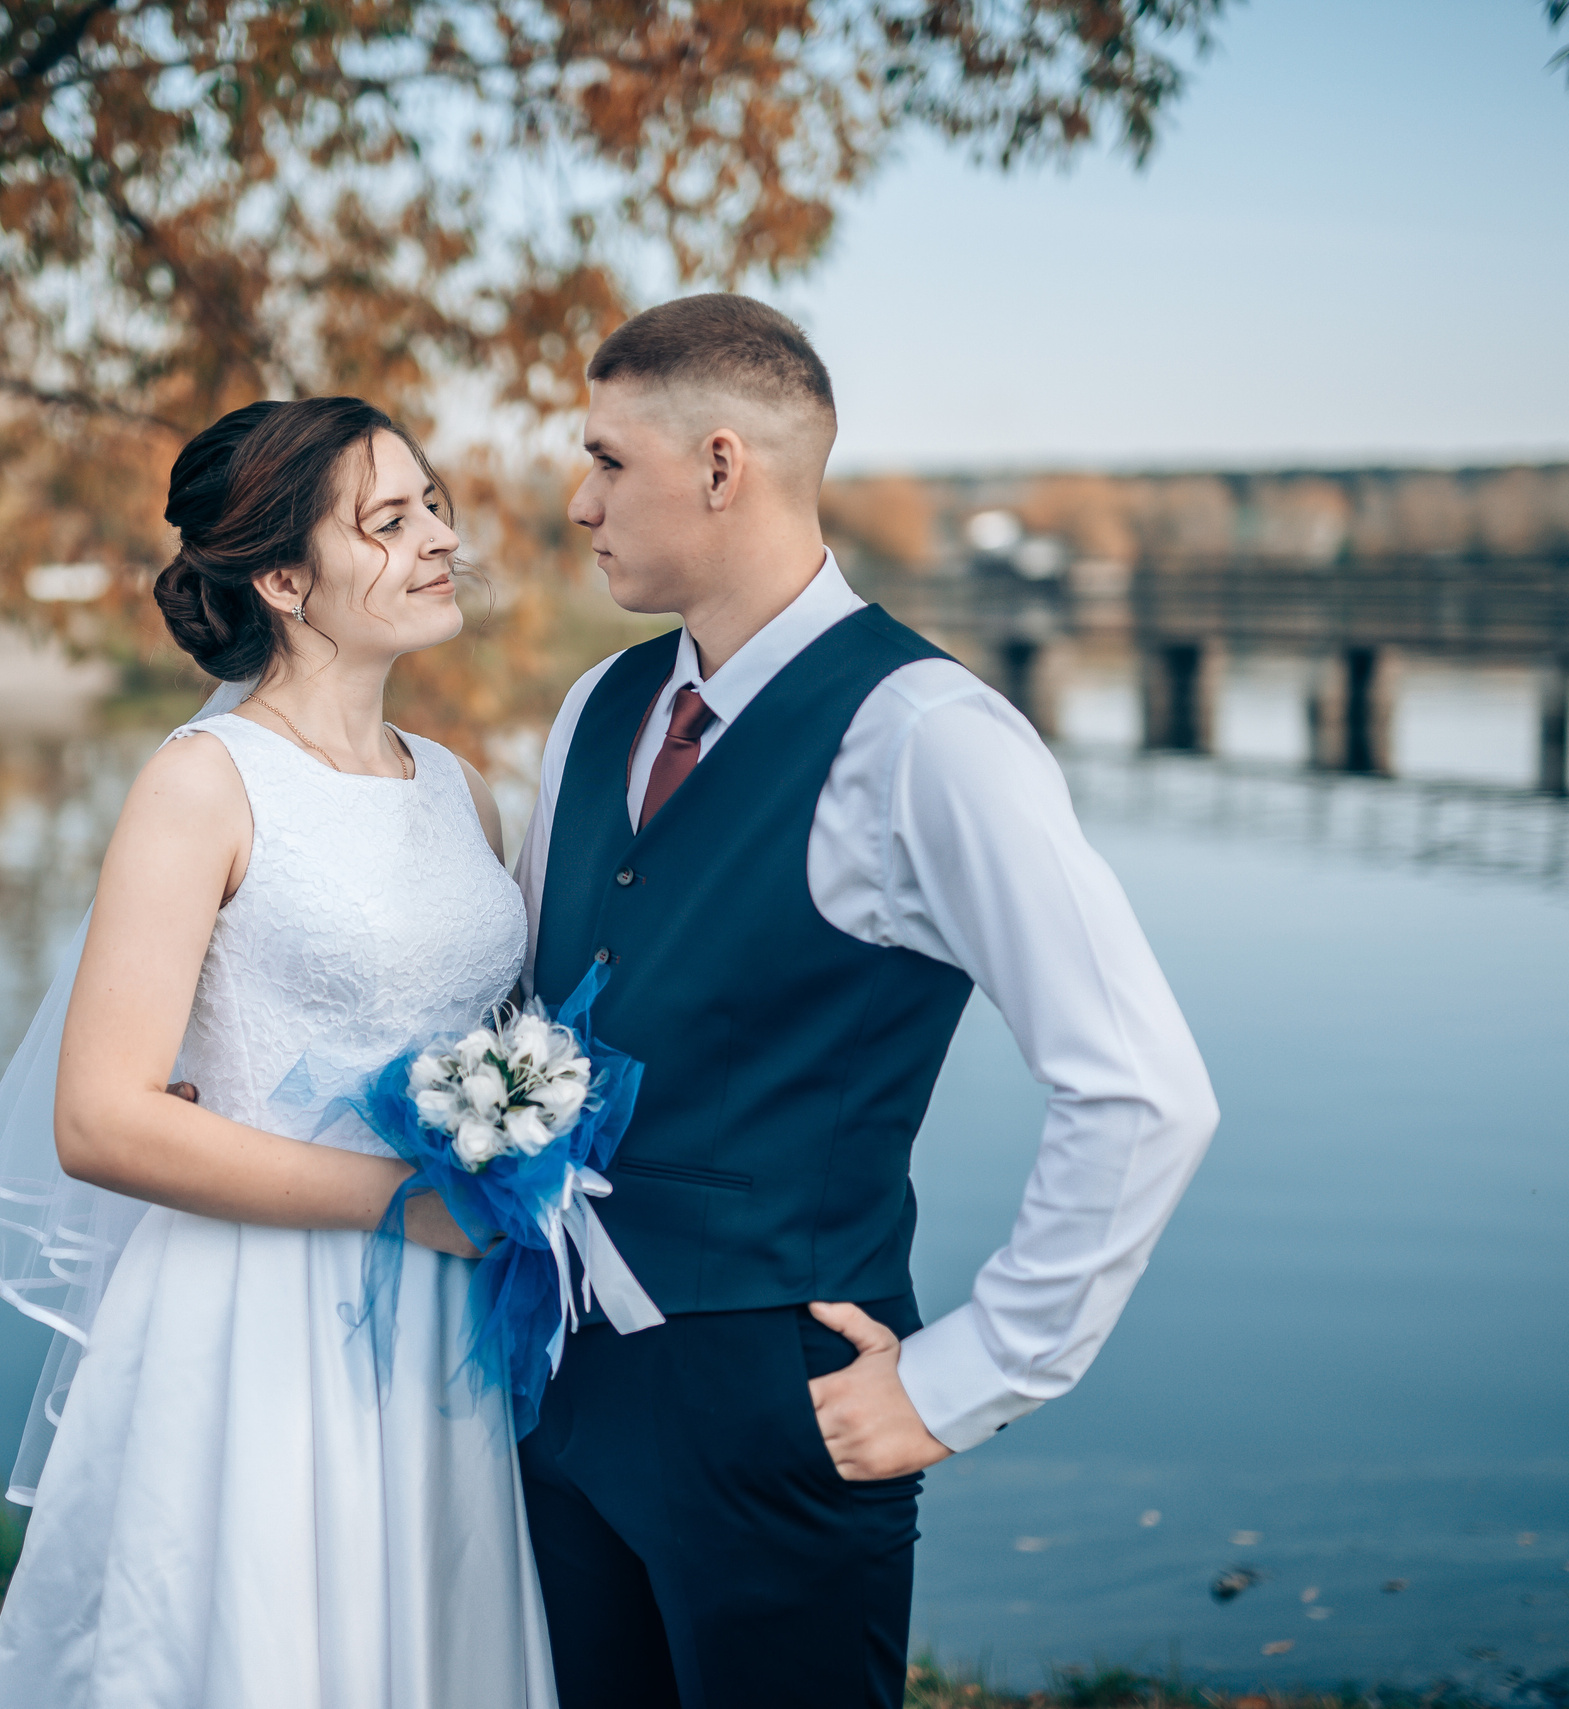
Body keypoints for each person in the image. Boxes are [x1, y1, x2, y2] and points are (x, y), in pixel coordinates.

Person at [513, 294, 1220, 1709]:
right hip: (559, 1387)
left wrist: (966, 1378)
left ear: (722, 466)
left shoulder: (929, 738)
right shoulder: (599, 706)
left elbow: (1143, 1091)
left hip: (785, 1406)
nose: (579, 504)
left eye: (607, 462)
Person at [0, 398, 557, 1708]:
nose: (439, 538)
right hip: (258, 1315)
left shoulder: (461, 789)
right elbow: (101, 1119)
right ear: (283, 580)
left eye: (432, 504)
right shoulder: (204, 783)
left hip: (445, 1318)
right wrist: (408, 1204)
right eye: (387, 522)